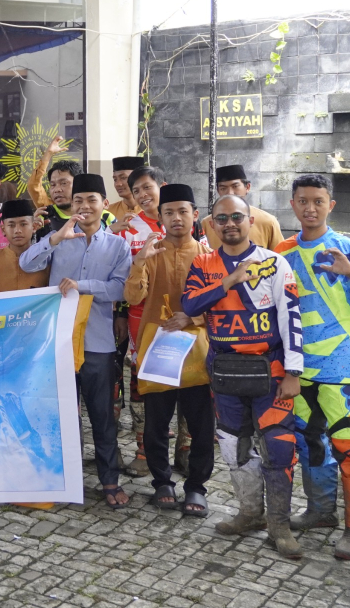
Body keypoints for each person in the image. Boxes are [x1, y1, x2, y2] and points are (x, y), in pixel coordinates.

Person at [275, 173, 350, 560]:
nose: (310, 208)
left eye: (318, 201)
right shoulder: (282, 252)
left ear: (331, 205)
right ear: (292, 204)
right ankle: (320, 511)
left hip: (341, 369)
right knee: (310, 442)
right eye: (303, 201)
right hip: (299, 369)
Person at [182, 195, 305, 559]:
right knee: (234, 448)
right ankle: (250, 513)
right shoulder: (203, 263)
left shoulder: (274, 263)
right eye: (222, 218)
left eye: (237, 216)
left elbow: (290, 318)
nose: (230, 224)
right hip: (225, 375)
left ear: (251, 221)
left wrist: (294, 372)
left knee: (279, 447)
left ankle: (279, 525)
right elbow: (190, 305)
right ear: (212, 224)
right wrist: (230, 281)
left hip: (272, 373)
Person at [19, 177, 131, 510]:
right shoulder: (58, 238)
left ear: (104, 204)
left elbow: (120, 288)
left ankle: (109, 481)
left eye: (91, 200)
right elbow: (26, 263)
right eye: (78, 200)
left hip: (98, 343)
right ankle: (64, 480)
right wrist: (55, 238)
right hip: (59, 342)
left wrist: (83, 285)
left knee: (102, 416)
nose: (84, 206)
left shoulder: (118, 246)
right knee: (61, 415)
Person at [123, 183, 214, 517]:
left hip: (196, 350)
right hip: (159, 349)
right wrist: (139, 262)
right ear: (160, 217)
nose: (176, 218)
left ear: (195, 215)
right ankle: (162, 481)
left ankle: (197, 486)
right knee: (156, 422)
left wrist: (193, 317)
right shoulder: (152, 253)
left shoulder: (208, 257)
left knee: (200, 424)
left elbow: (220, 304)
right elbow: (132, 297)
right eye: (169, 212)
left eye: (183, 211)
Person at [117, 164, 167, 477]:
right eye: (137, 191)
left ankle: (185, 447)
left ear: (163, 186)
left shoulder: (184, 220)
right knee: (141, 383)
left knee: (185, 379)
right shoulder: (129, 227)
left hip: (180, 318)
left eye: (148, 187)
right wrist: (122, 314)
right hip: (141, 317)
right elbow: (121, 275)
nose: (143, 195)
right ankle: (143, 449)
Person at [203, 164, 285, 249]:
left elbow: (281, 253)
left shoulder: (268, 221)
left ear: (247, 187)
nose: (230, 193)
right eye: (223, 188)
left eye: (235, 186)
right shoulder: (206, 224)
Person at [108, 156, 146, 225]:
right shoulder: (108, 212)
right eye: (115, 179)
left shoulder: (153, 211)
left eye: (123, 178)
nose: (118, 184)